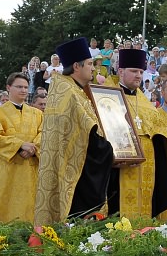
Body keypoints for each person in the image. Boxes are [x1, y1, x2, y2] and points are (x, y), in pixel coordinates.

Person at [35, 38, 115, 224]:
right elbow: (90, 135)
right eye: (89, 64)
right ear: (76, 67)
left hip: (69, 167)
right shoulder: (70, 93)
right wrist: (111, 150)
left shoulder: (66, 88)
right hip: (77, 175)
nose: (94, 69)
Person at [107, 48, 167, 220]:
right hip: (118, 171)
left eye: (141, 72)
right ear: (121, 71)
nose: (138, 75)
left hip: (146, 171)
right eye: (134, 71)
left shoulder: (146, 103)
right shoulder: (106, 97)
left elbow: (159, 137)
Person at [0, 73, 43, 223]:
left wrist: (32, 148)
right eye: (19, 86)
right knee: (2, 208)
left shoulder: (38, 114)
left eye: (26, 87)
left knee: (29, 206)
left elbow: (44, 134)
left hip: (29, 169)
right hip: (5, 170)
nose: (23, 90)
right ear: (8, 88)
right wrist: (20, 145)